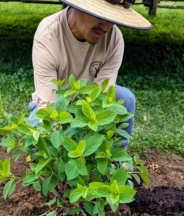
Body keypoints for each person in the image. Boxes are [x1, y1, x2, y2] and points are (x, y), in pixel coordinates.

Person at [29, 0, 152, 150]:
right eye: (101, 15)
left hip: (90, 104)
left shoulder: (114, 39)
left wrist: (92, 140)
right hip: (55, 103)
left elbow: (102, 96)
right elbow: (49, 107)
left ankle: (117, 161)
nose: (106, 27)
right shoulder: (48, 35)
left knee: (125, 99)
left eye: (112, 19)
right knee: (37, 141)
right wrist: (61, 149)